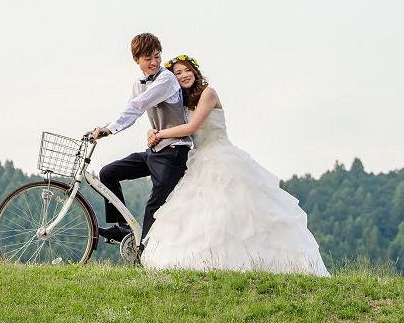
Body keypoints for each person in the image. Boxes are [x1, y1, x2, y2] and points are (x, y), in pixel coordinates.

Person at [140, 54, 329, 276]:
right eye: (177, 73)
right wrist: (152, 131)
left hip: (222, 158)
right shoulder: (182, 103)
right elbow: (170, 122)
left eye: (186, 70)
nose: (183, 75)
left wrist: (159, 134)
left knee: (232, 212)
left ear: (195, 70)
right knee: (200, 215)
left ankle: (253, 263)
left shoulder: (209, 94)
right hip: (198, 161)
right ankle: (204, 263)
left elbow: (192, 127)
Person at [88, 32, 192, 249]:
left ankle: (144, 252)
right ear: (137, 60)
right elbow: (129, 111)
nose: (154, 62)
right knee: (108, 173)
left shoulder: (166, 79)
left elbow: (138, 106)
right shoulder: (139, 84)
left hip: (174, 152)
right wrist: (107, 127)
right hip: (155, 151)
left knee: (154, 206)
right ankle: (123, 226)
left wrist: (109, 129)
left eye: (157, 56)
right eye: (148, 58)